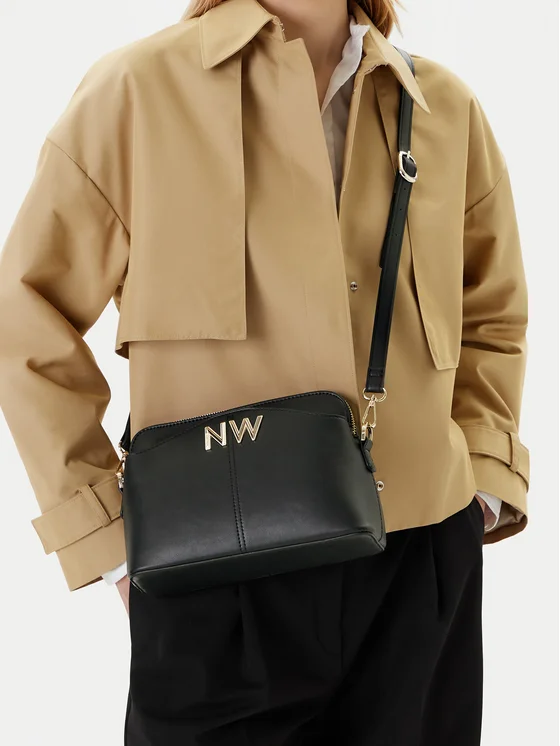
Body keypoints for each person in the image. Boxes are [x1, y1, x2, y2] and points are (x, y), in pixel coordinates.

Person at [0, 0, 530, 743]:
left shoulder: (445, 108)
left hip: (418, 567)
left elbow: (492, 314)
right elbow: (24, 314)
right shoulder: (138, 92)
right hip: (215, 577)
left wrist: (479, 494)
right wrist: (108, 539)